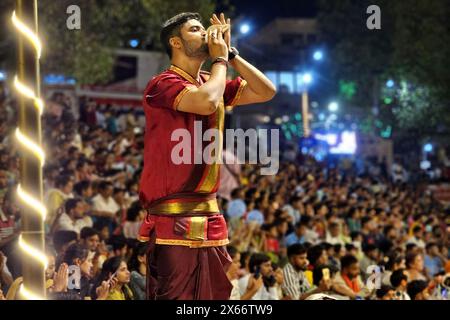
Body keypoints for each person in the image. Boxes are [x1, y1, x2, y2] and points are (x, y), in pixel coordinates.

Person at [138, 11, 276, 300]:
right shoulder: (162, 83)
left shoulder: (210, 78)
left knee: (215, 295)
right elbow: (206, 102)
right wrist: (220, 61)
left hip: (209, 211)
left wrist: (232, 54)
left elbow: (266, 91)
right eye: (196, 30)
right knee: (176, 297)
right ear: (175, 42)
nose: (205, 34)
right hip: (173, 215)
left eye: (205, 29)